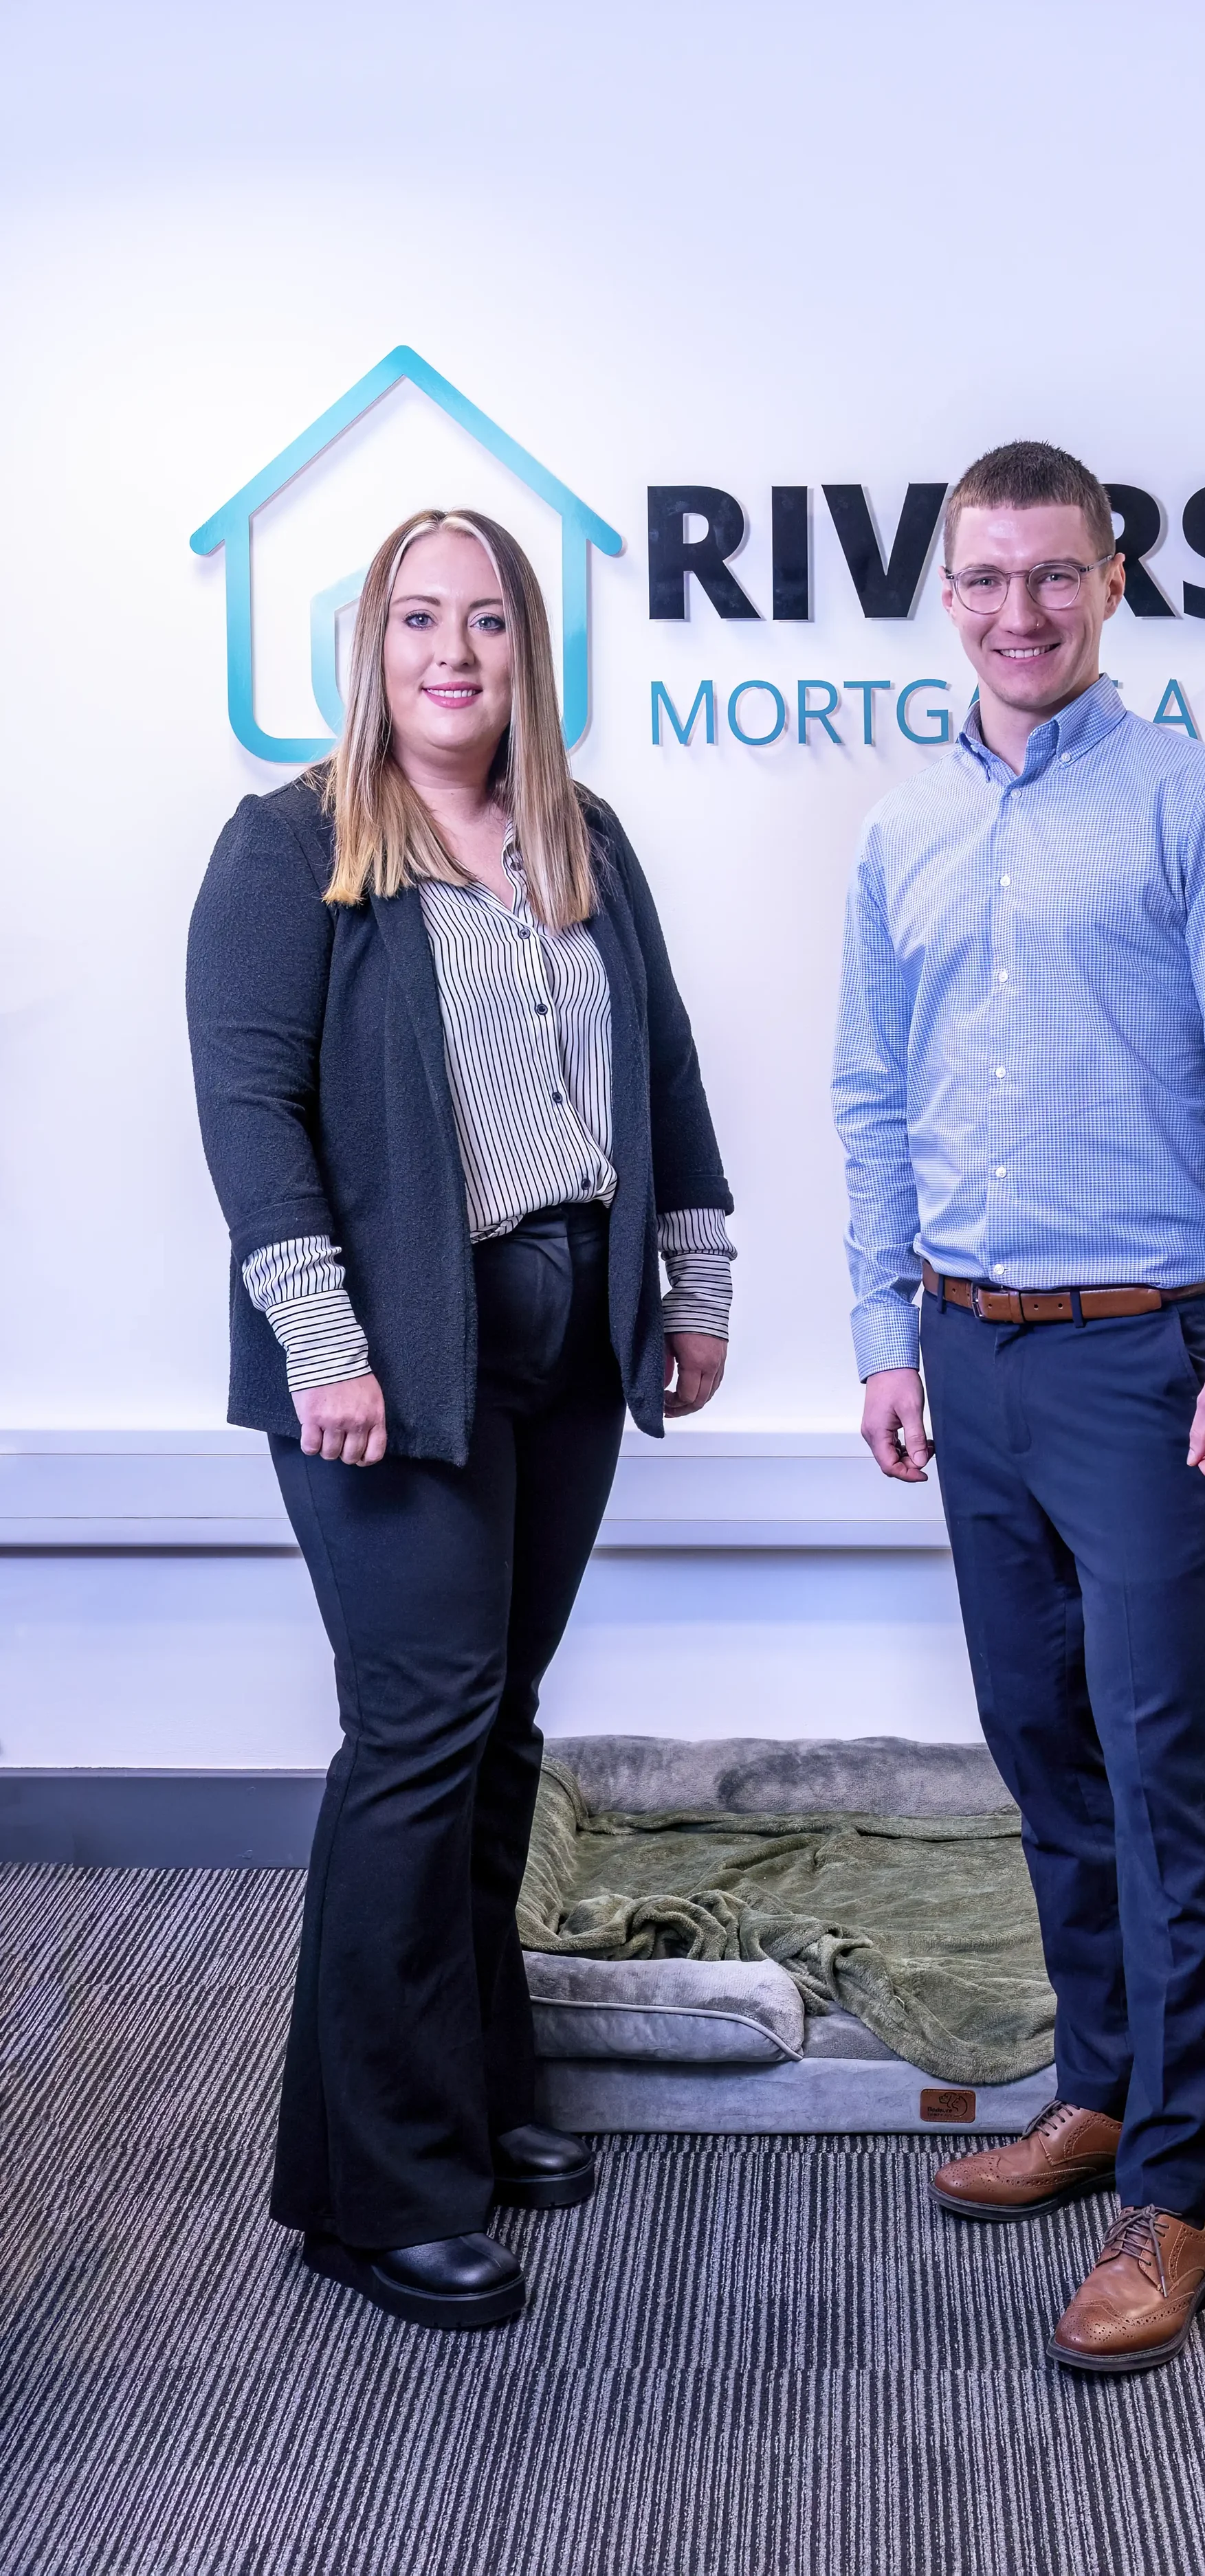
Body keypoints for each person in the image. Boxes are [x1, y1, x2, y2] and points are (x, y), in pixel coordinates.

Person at [187, 508, 734, 2330]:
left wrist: (694, 1283)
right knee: (415, 1737)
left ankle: (477, 2095)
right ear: (370, 645)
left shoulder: (585, 837)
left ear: (527, 650)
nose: (453, 652)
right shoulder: (293, 848)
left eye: (486, 620)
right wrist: (322, 1339)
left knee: (496, 1729)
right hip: (390, 1352)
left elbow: (658, 1057)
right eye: (420, 619)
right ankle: (368, 2187)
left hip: (566, 1338)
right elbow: (253, 1116)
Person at [832, 441, 1205, 2375]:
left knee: (1156, 1767)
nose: (1016, 611)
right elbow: (868, 1097)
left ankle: (1177, 2195)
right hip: (968, 1345)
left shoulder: (1200, 801)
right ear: (944, 592)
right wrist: (885, 1334)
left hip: (1144, 1348)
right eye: (983, 579)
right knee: (1041, 1748)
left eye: (1053, 576)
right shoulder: (900, 830)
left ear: (1109, 582)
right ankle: (1098, 2087)